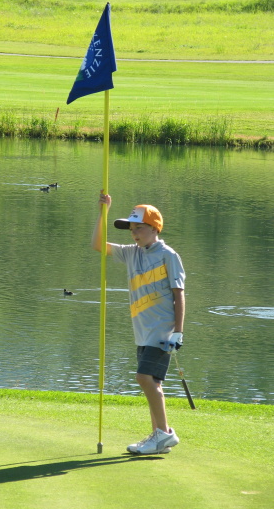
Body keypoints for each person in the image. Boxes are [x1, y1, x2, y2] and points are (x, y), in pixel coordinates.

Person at [92, 191, 185, 455]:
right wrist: (103, 212)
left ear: (154, 228)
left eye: (139, 228)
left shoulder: (168, 255)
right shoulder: (131, 253)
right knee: (152, 382)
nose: (134, 233)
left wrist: (178, 332)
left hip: (162, 330)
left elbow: (179, 294)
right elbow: (98, 245)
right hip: (142, 330)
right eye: (131, 229)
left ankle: (163, 434)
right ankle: (160, 438)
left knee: (144, 378)